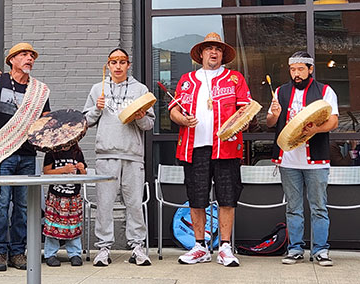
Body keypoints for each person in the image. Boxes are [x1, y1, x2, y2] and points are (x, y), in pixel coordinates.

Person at [169, 32, 253, 267]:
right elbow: (174, 109)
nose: (213, 52)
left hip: (226, 147)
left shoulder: (234, 78)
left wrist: (242, 122)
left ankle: (225, 247)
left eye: (218, 49)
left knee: (227, 198)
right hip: (193, 148)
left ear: (223, 55)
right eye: (209, 49)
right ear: (201, 54)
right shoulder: (187, 79)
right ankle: (200, 246)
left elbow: (245, 110)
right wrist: (181, 120)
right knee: (196, 199)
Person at [0, 43, 50, 271]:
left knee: (24, 207)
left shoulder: (39, 90)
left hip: (27, 154)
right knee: (1, 205)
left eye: (32, 56)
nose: (29, 59)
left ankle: (18, 252)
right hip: (2, 153)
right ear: (12, 60)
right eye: (24, 55)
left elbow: (44, 121)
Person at [83, 48, 155, 266]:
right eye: (113, 62)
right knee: (104, 204)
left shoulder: (140, 89)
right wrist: (97, 109)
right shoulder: (98, 89)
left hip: (132, 155)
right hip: (106, 154)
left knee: (134, 203)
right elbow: (85, 122)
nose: (118, 66)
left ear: (128, 64)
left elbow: (149, 124)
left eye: (122, 62)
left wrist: (140, 117)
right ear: (108, 64)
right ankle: (103, 249)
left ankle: (137, 247)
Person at [267, 51, 338, 266]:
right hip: (288, 160)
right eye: (292, 69)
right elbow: (270, 123)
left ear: (310, 69)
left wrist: (315, 129)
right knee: (293, 207)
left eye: (300, 69)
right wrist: (275, 114)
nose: (296, 74)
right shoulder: (280, 91)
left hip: (315, 160)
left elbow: (333, 121)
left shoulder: (325, 91)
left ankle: (321, 250)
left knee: (318, 207)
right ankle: (295, 249)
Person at [42, 144, 87, 267]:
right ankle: (50, 253)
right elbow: (46, 172)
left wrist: (82, 169)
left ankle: (75, 253)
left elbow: (83, 175)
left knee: (73, 224)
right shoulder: (51, 152)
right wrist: (63, 170)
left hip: (73, 195)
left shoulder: (77, 152)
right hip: (56, 195)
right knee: (53, 224)